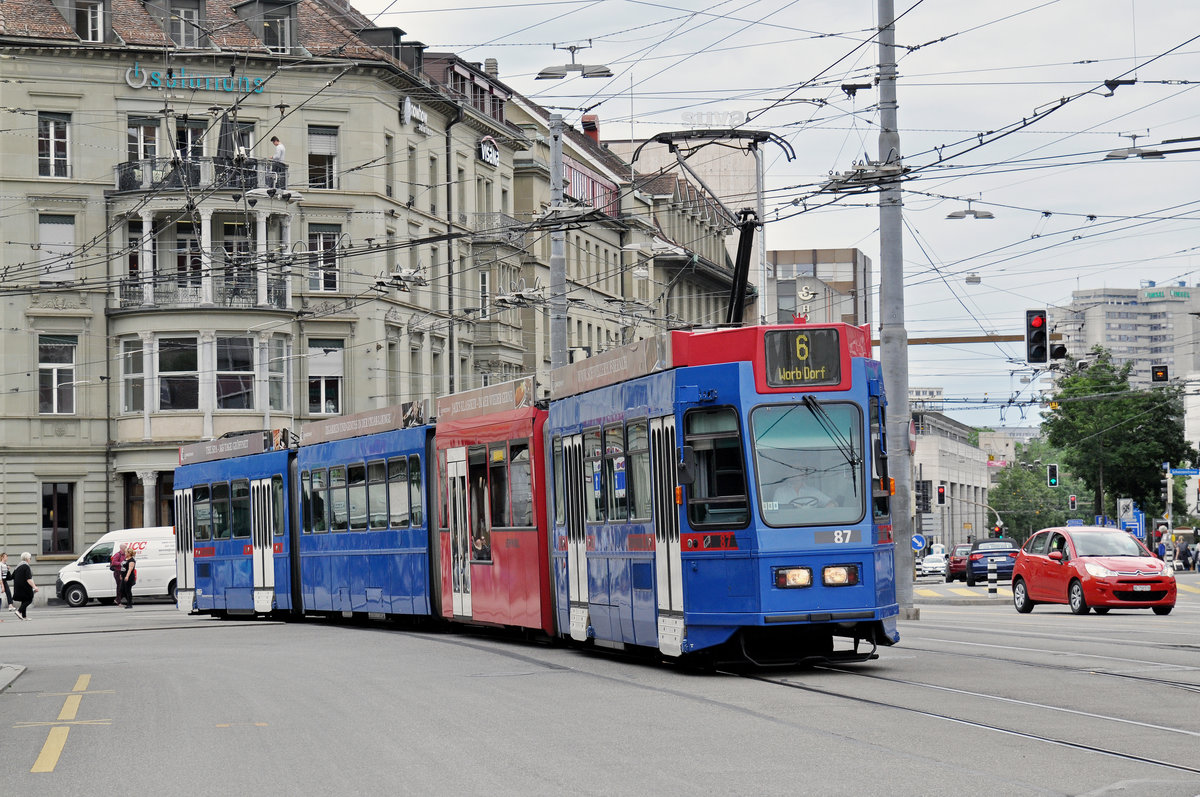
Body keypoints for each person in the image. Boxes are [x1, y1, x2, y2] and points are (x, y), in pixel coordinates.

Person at [771, 470, 835, 508]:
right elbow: (779, 511)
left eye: (797, 471)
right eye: (792, 471)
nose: (794, 474)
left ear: (803, 475)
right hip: (789, 525)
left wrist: (823, 513)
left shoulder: (813, 491)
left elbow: (832, 503)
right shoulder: (780, 492)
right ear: (788, 474)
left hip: (812, 523)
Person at [10, 552, 37, 620]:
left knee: (24, 600)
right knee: (29, 599)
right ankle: (19, 611)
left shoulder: (17, 567)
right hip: (25, 586)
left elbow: (11, 577)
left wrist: (6, 571)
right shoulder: (26, 566)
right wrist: (34, 587)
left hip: (17, 586)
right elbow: (29, 579)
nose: (30, 559)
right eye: (30, 558)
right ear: (27, 559)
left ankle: (24, 616)